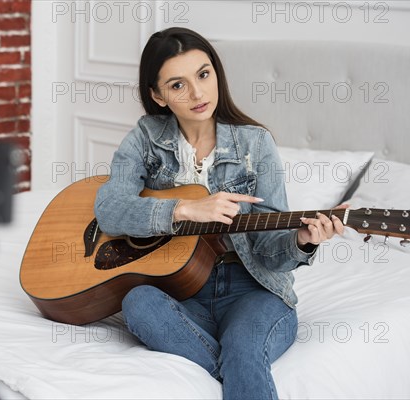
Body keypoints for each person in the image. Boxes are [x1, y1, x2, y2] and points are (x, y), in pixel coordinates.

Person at [93, 27, 345, 400]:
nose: (197, 93)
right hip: (178, 290)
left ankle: (233, 357)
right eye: (177, 85)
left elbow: (270, 250)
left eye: (203, 74)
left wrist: (302, 241)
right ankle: (231, 363)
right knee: (136, 303)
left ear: (216, 73)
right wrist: (184, 208)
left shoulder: (255, 143)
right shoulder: (146, 137)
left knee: (244, 349)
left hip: (252, 290)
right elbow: (109, 209)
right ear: (158, 96)